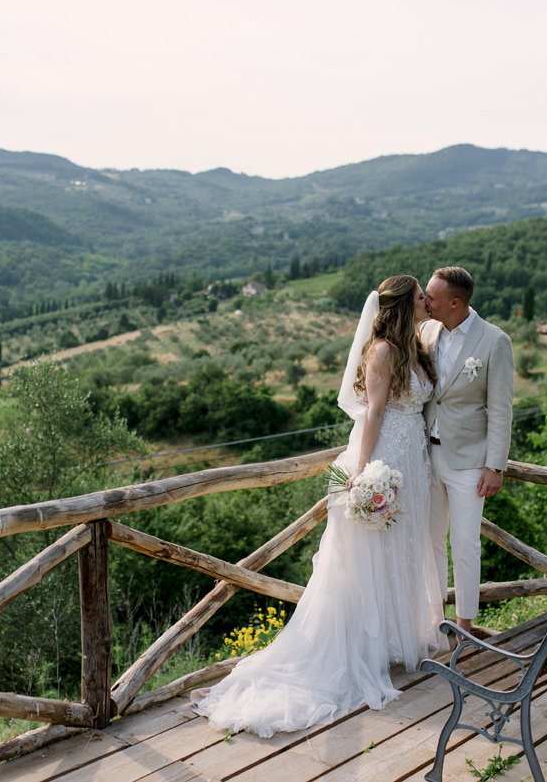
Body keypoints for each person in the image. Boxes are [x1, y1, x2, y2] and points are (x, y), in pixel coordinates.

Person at [190, 275, 447, 738]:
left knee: (404, 551)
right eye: (419, 297)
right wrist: (362, 473)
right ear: (403, 306)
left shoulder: (418, 346)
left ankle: (394, 639)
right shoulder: (383, 352)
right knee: (368, 559)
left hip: (415, 460)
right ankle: (366, 649)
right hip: (385, 456)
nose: (426, 302)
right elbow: (373, 411)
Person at [419, 266, 514, 634]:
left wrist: (496, 466)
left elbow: (502, 409)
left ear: (455, 302)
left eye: (432, 297)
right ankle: (435, 621)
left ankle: (464, 627)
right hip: (427, 455)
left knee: (465, 544)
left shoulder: (494, 341)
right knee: (431, 543)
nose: (426, 302)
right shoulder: (427, 330)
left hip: (470, 463)